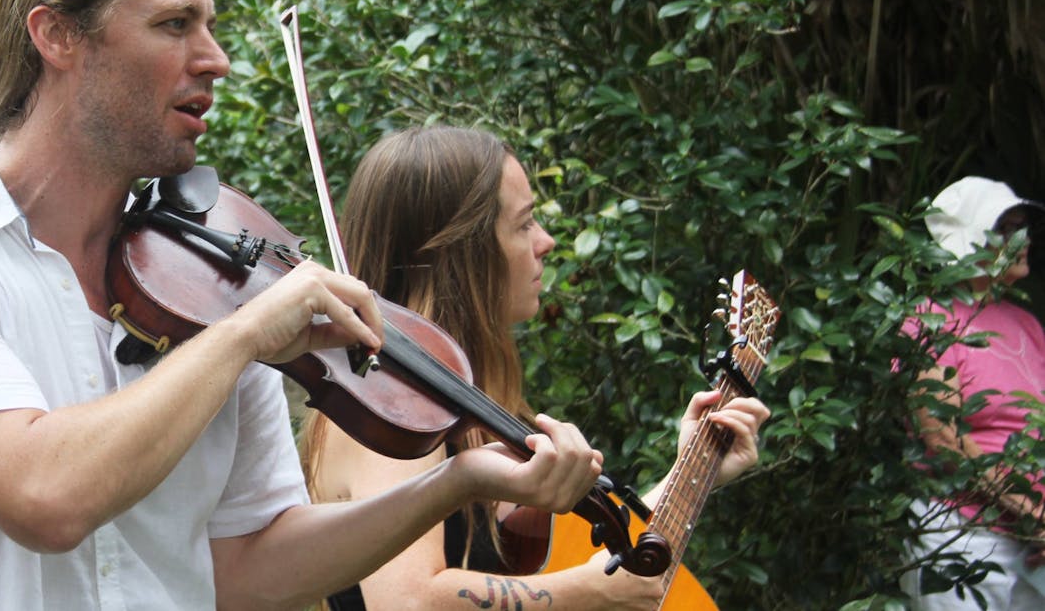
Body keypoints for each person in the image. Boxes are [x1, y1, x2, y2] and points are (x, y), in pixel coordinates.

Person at [0, 0, 607, 610]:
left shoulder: (214, 278)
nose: (216, 57)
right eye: (174, 25)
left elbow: (251, 566)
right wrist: (245, 339)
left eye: (210, 24)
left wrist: (454, 479)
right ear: (55, 34)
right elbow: (45, 497)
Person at [302, 125, 770, 610]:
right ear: (462, 252)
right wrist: (587, 593)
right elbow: (406, 603)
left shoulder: (462, 402)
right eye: (523, 224)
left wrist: (692, 469)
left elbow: (590, 569)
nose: (545, 242)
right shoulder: (389, 403)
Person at [900, 176, 1045, 610]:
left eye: (1023, 227)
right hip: (961, 534)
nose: (1022, 239)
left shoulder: (1027, 324)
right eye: (1004, 228)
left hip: (1032, 539)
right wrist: (1031, 513)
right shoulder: (931, 321)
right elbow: (943, 440)